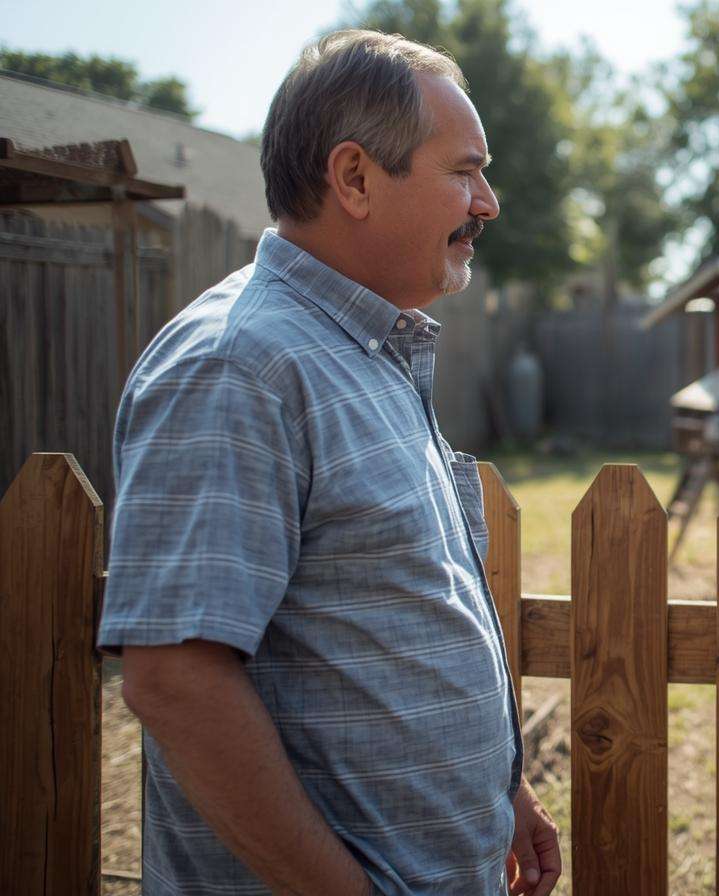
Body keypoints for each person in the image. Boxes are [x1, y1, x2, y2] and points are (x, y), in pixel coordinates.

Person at [99, 31, 560, 895]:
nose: (489, 202)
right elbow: (175, 683)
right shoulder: (239, 364)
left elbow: (392, 616)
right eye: (464, 171)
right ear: (354, 179)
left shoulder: (363, 347)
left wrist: (505, 795)